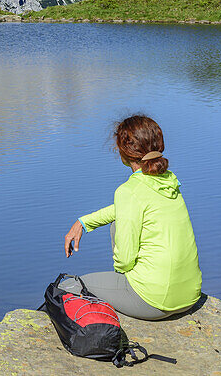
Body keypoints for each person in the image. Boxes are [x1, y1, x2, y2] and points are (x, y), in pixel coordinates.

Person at [62, 115, 202, 320]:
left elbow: (125, 261)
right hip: (190, 296)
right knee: (118, 220)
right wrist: (84, 222)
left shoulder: (128, 191)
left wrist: (122, 280)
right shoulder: (168, 180)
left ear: (124, 151)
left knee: (68, 286)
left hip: (153, 302)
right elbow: (127, 208)